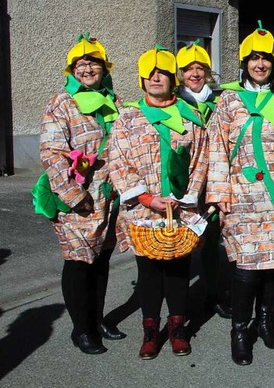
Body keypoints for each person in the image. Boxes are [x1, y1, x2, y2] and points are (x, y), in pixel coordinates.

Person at [206, 21, 274, 366]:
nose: (260, 64)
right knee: (247, 268)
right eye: (253, 58)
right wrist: (219, 190)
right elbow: (217, 148)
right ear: (244, 62)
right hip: (243, 197)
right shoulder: (230, 101)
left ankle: (266, 322)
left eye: (266, 58)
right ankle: (240, 329)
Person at [109, 45, 209, 359]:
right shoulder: (128, 118)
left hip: (181, 210)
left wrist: (183, 197)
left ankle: (177, 326)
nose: (155, 78)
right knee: (149, 270)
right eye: (150, 73)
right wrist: (146, 197)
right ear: (142, 78)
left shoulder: (190, 116)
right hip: (143, 210)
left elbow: (202, 161)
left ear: (172, 78)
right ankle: (150, 329)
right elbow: (118, 162)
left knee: (178, 269)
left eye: (162, 73)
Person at [37, 34, 125, 355]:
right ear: (72, 69)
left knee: (100, 262)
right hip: (78, 203)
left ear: (104, 67)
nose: (88, 68)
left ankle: (97, 319)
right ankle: (81, 329)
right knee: (78, 263)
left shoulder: (111, 100)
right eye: (81, 63)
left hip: (109, 200)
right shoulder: (62, 103)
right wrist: (75, 197)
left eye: (94, 62)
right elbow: (52, 154)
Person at [176, 41, 232, 318]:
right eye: (188, 69)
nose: (195, 74)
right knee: (182, 243)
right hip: (184, 185)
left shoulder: (220, 102)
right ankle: (180, 301)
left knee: (211, 242)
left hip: (215, 181)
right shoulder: (173, 103)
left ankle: (212, 293)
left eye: (200, 69)